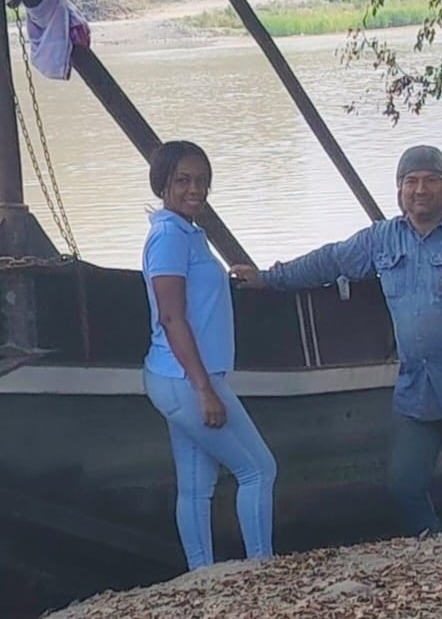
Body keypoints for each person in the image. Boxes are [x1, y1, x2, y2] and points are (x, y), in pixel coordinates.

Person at [230, 144, 442, 537]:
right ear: (400, 191)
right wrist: (269, 278)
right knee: (403, 484)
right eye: (411, 182)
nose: (420, 190)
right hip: (416, 390)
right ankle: (434, 545)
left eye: (430, 181)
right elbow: (331, 260)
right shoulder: (383, 239)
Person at [142, 140, 276, 569]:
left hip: (177, 376)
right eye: (183, 180)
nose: (194, 189)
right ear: (162, 183)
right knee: (258, 470)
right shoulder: (168, 236)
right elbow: (171, 317)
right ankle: (263, 567)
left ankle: (203, 576)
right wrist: (204, 389)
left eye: (201, 181)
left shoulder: (187, 232)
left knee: (197, 487)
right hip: (185, 379)